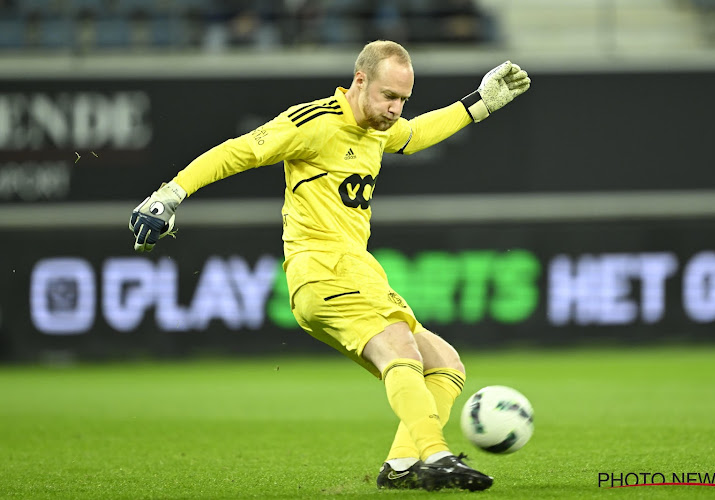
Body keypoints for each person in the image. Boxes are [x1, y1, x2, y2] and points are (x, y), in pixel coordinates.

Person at [129, 40, 530, 491]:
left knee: (446, 365)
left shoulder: (379, 127)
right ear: (360, 81)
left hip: (354, 271)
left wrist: (478, 105)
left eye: (403, 100)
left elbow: (415, 136)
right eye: (388, 97)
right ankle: (435, 456)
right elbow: (238, 151)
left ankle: (401, 466)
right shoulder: (314, 122)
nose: (396, 109)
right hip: (321, 270)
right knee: (401, 345)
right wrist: (170, 194)